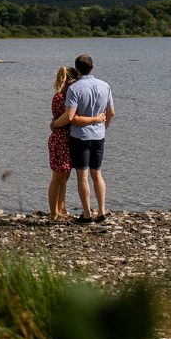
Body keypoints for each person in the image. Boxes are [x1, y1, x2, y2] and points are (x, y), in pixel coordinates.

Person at [61, 53, 115, 223]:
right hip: (99, 135)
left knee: (82, 176)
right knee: (97, 173)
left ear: (77, 69)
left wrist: (54, 124)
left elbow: (71, 117)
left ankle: (87, 214)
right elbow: (111, 112)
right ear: (93, 67)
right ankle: (102, 211)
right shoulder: (105, 86)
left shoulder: (74, 88)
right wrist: (103, 127)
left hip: (80, 137)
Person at [48, 66, 104, 221]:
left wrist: (54, 124)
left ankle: (61, 208)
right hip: (61, 138)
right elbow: (71, 118)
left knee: (64, 177)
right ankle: (53, 213)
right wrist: (97, 119)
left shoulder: (66, 95)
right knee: (58, 176)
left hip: (67, 138)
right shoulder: (62, 97)